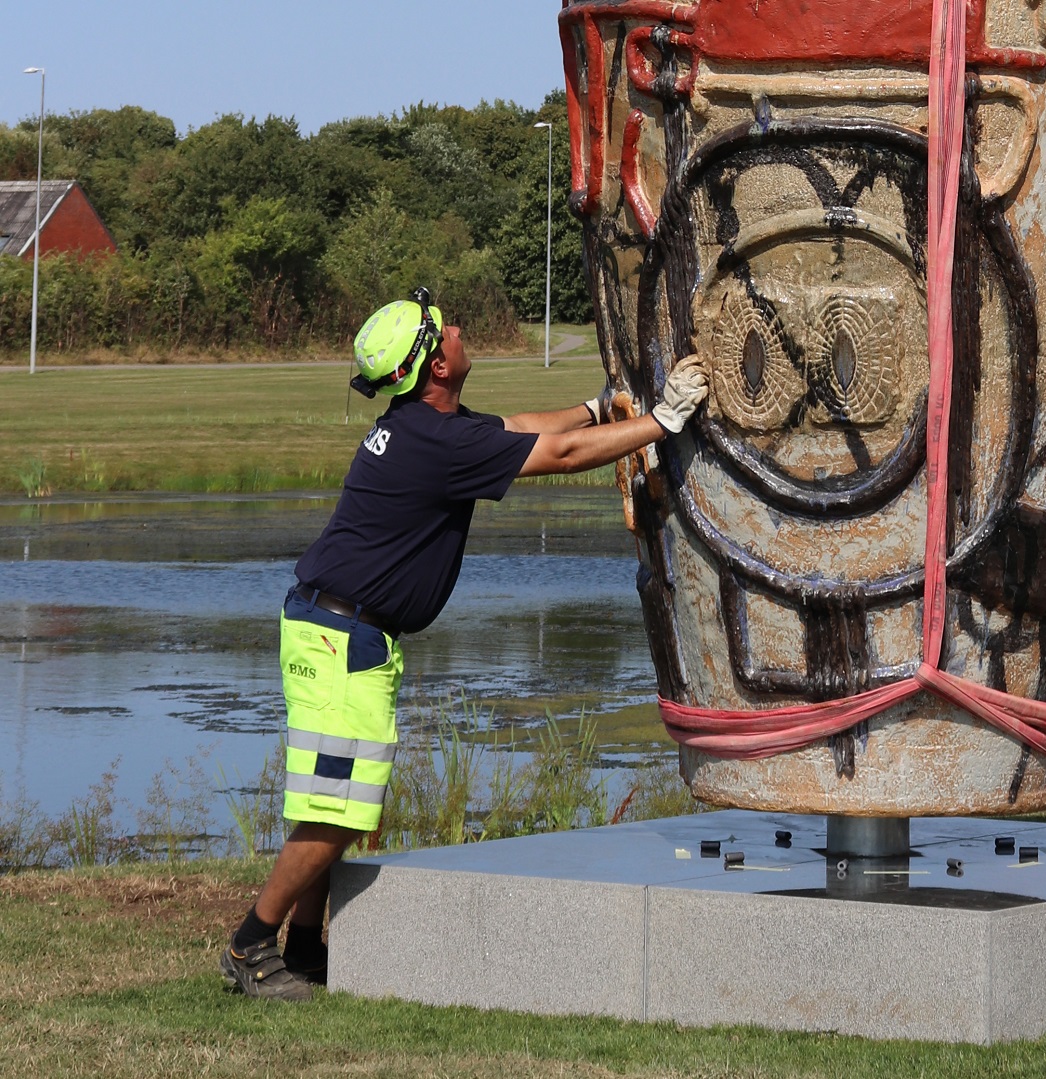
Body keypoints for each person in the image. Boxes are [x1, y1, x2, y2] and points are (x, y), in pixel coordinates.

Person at [220, 289, 707, 1000]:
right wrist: (662, 422)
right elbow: (560, 454)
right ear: (436, 366)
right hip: (341, 640)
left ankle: (302, 946)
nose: (454, 328)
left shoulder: (426, 426)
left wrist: (596, 407)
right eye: (440, 328)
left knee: (334, 796)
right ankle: (251, 944)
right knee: (338, 807)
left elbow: (524, 428)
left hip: (335, 629)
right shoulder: (438, 444)